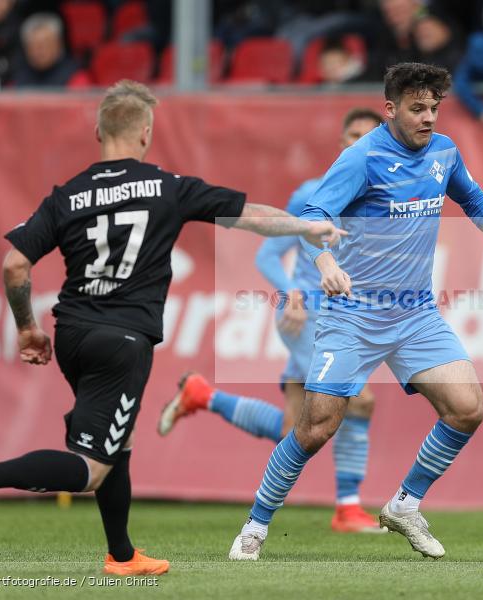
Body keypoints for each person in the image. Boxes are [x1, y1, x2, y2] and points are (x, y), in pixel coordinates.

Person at [0, 80, 343, 575]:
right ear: (146, 133)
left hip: (72, 334)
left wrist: (26, 328)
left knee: (119, 439)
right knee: (90, 469)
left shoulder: (67, 196)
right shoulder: (169, 188)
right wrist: (305, 226)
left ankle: (123, 555)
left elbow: (14, 266)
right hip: (124, 341)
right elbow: (251, 217)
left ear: (98, 132)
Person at [228, 62, 483, 561]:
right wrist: (324, 262)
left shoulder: (444, 153)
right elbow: (315, 215)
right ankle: (255, 527)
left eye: (434, 108)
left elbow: (473, 199)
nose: (429, 118)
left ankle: (405, 504)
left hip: (415, 314)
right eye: (417, 108)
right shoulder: (361, 158)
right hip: (353, 313)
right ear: (390, 109)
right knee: (316, 426)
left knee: (467, 408)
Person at [158, 108, 385, 534]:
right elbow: (266, 254)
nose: (357, 142)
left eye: (367, 136)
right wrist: (291, 292)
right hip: (308, 313)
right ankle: (348, 507)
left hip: (347, 315)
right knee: (362, 399)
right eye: (351, 134)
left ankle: (202, 395)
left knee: (291, 428)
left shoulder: (381, 200)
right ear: (340, 142)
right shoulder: (313, 193)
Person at [13, 13, 81, 88]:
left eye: (44, 44)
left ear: (58, 44)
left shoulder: (76, 76)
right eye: (33, 46)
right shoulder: (18, 76)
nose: (38, 51)